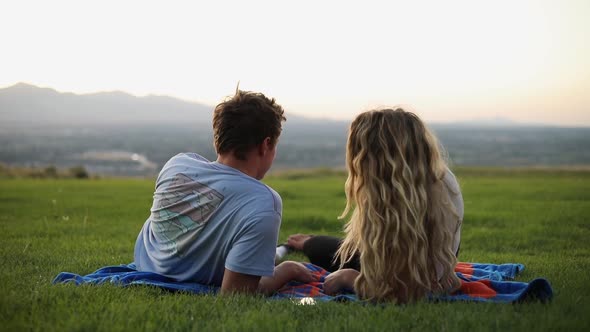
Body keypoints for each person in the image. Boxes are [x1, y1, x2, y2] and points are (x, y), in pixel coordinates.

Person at [134, 89, 315, 295]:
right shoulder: (264, 202)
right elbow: (236, 294)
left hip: (145, 266)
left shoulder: (177, 164)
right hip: (190, 279)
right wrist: (287, 270)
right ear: (266, 145)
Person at [286, 108, 464, 303]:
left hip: (417, 277)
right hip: (408, 268)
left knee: (325, 251)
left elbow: (403, 291)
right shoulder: (443, 178)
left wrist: (350, 278)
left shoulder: (412, 194)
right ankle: (307, 242)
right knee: (327, 247)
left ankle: (308, 243)